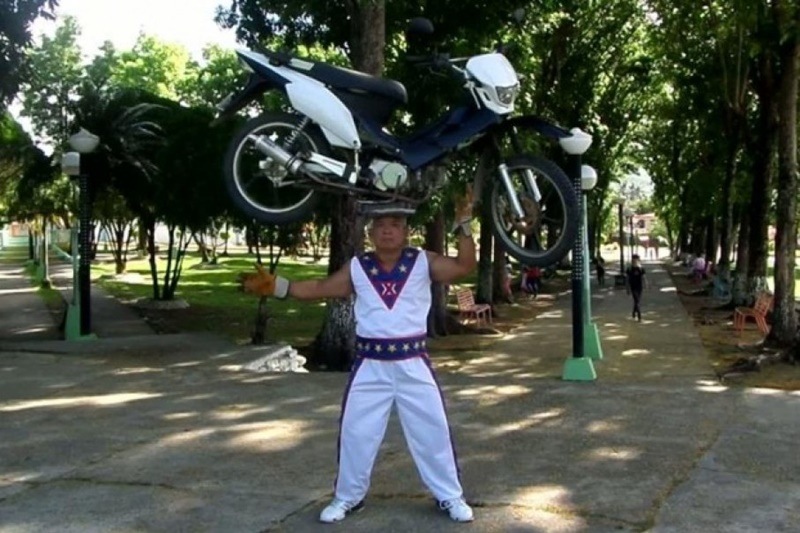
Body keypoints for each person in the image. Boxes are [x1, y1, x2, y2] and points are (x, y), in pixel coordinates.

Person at [252, 194, 477, 524]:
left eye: (395, 225)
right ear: (370, 233)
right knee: (356, 433)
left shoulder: (422, 261)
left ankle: (449, 496)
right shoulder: (359, 267)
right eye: (380, 225)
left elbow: (464, 265)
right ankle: (348, 497)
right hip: (370, 366)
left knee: (433, 430)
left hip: (413, 363)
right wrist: (278, 287)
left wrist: (465, 226)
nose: (387, 230)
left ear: (406, 231)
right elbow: (320, 287)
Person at [626, 253, 647, 321]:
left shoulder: (641, 268)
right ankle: (639, 315)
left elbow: (644, 277)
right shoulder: (629, 269)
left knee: (637, 301)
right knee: (637, 301)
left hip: (639, 287)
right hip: (633, 287)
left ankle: (634, 312)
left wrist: (646, 284)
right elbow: (627, 279)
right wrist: (627, 288)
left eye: (636, 260)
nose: (635, 261)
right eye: (634, 260)